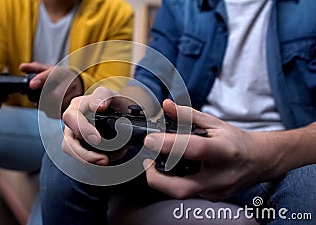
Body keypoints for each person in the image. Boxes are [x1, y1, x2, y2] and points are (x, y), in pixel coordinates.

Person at [40, 0, 316, 224]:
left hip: (281, 157)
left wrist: (266, 152)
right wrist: (118, 105)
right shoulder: (179, 5)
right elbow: (149, 80)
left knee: (311, 187)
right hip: (179, 144)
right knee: (71, 149)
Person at [0, 0, 133, 224]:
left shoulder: (116, 12)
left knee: (80, 137)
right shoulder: (6, 6)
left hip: (72, 125)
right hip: (27, 127)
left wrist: (80, 85)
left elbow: (113, 94)